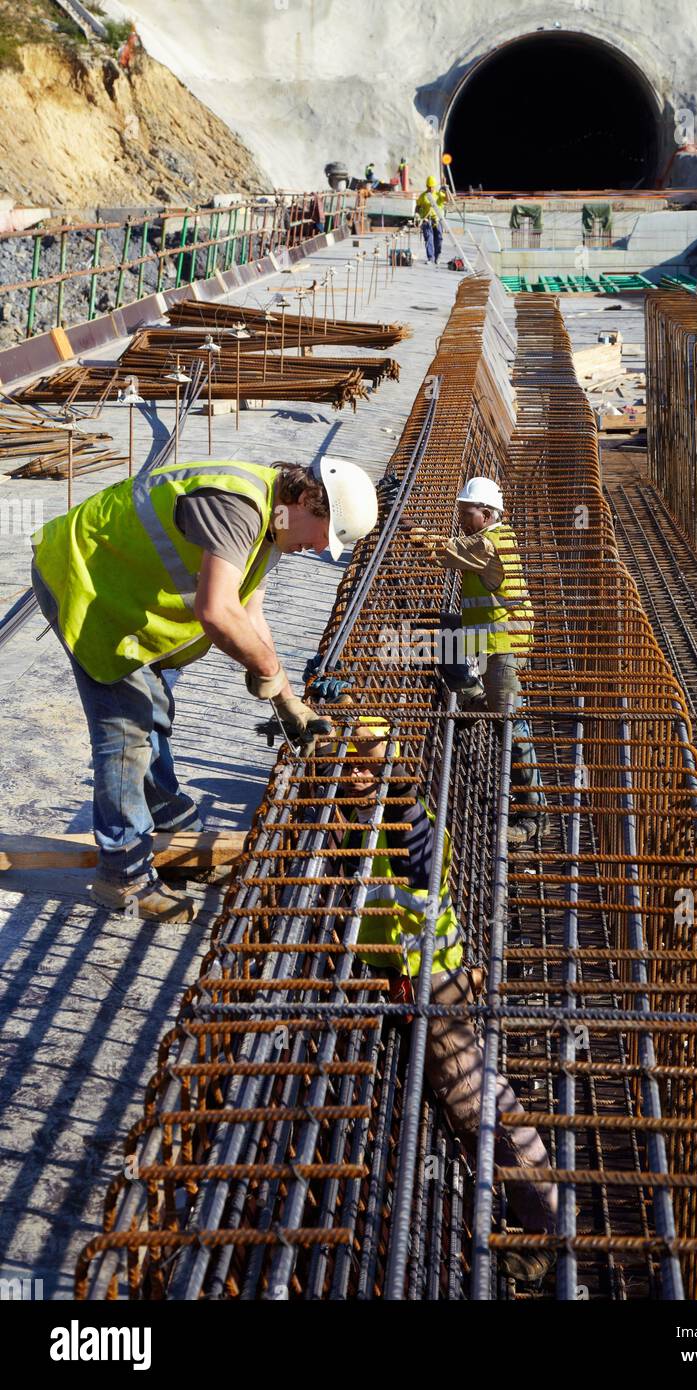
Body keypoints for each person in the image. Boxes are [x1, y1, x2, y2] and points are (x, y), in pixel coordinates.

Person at [30, 457, 378, 922]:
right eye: (322, 534)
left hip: (128, 595)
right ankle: (123, 876)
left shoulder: (273, 526)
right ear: (304, 500)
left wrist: (287, 699)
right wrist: (265, 667)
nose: (318, 549)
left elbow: (250, 615)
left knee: (153, 711)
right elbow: (217, 612)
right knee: (125, 734)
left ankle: (172, 827)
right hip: (87, 586)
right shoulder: (238, 506)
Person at [323, 713, 559, 1284]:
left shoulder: (409, 822)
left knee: (476, 1100)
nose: (356, 772)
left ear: (394, 769)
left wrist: (394, 782)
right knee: (465, 1107)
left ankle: (549, 1230)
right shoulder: (356, 818)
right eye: (348, 761)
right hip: (404, 982)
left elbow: (419, 861)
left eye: (369, 763)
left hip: (435, 985)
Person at [410, 476, 544, 846]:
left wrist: (405, 521)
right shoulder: (491, 537)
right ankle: (472, 698)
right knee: (438, 629)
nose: (460, 517)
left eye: (465, 511)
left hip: (504, 645)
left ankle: (534, 817)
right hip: (485, 637)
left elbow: (441, 551)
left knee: (511, 725)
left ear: (485, 513)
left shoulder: (488, 544)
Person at [414, 174, 447, 265]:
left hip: (437, 219)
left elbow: (447, 199)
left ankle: (437, 256)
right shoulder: (423, 196)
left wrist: (446, 190)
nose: (430, 189)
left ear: (435, 186)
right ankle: (430, 257)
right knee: (429, 238)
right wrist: (417, 215)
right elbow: (418, 206)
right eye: (429, 187)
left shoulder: (438, 194)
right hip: (426, 220)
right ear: (427, 186)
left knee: (439, 238)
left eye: (432, 187)